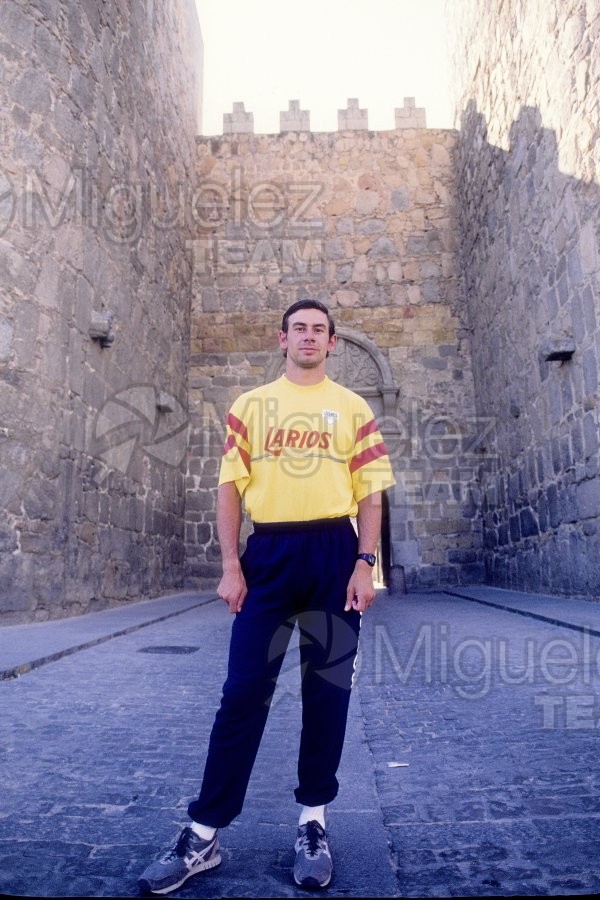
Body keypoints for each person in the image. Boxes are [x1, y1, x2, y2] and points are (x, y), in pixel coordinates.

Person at [138, 299, 395, 894]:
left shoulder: (353, 408)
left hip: (335, 554)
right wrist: (231, 564)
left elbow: (371, 495)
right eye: (299, 328)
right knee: (243, 691)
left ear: (333, 344)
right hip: (269, 556)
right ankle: (204, 832)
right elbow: (231, 489)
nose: (309, 337)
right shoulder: (250, 407)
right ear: (282, 339)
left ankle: (313, 823)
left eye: (319, 330)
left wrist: (365, 564)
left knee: (326, 691)